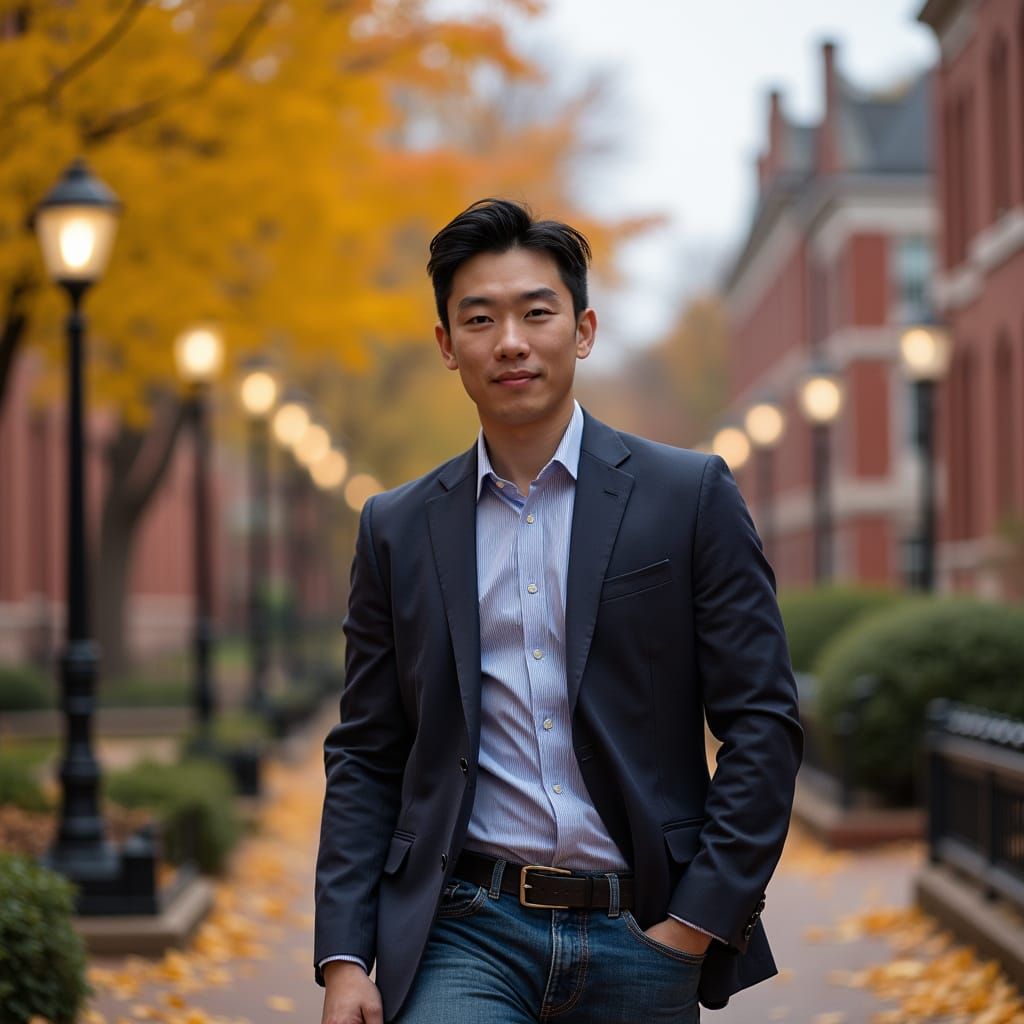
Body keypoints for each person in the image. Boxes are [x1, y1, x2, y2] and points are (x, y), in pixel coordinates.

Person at [314, 198, 802, 1024]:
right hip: (465, 930)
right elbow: (367, 750)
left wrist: (694, 924)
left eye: (536, 312)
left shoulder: (687, 496)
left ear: (582, 330)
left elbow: (763, 723)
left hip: (642, 929)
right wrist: (343, 958)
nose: (510, 341)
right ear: (447, 345)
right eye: (480, 318)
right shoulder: (395, 527)